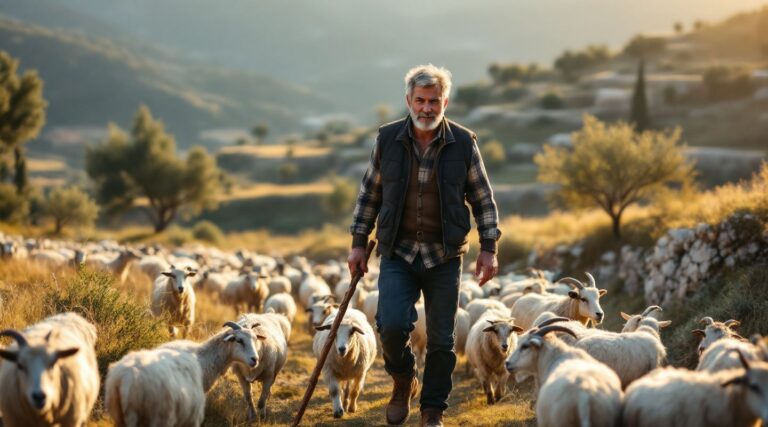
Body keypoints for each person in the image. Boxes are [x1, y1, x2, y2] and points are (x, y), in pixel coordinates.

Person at [347, 64, 501, 427]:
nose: (427, 108)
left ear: (445, 101)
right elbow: (370, 194)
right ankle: (403, 379)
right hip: (397, 252)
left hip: (444, 255)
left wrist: (489, 247)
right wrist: (357, 243)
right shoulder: (387, 140)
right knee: (391, 326)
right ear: (408, 100)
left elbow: (483, 198)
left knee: (442, 339)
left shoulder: (463, 143)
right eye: (421, 100)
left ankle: (433, 409)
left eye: (434, 101)